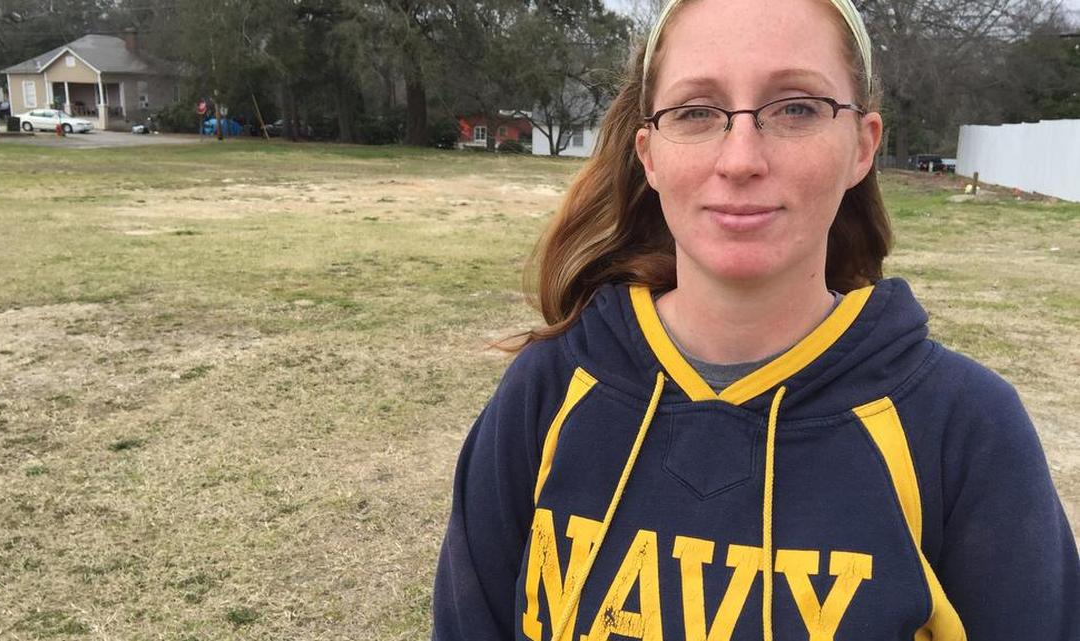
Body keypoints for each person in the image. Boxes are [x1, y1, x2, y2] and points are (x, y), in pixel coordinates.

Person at [431, 0, 1080, 639]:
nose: (740, 158)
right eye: (696, 111)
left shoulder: (967, 431)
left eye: (796, 107)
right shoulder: (548, 390)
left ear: (862, 145)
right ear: (650, 153)